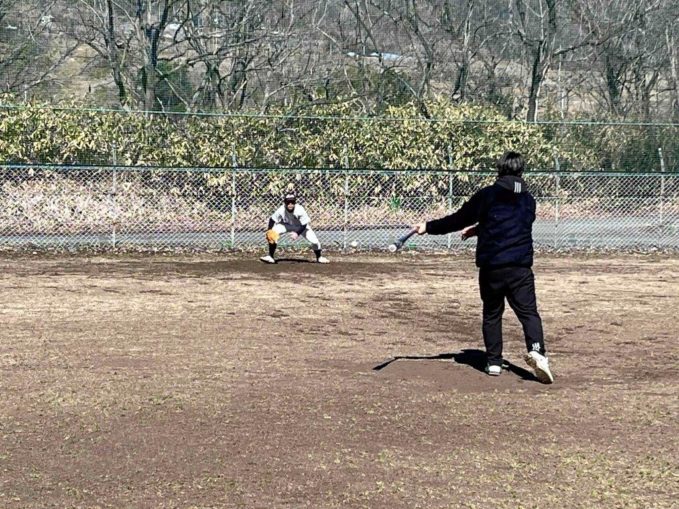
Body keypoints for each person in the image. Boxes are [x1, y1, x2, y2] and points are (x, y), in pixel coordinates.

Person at [412, 151, 554, 383]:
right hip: (520, 267)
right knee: (529, 313)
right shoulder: (528, 200)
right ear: (521, 171)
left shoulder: (488, 195)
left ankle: (494, 362)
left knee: (492, 313)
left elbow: (458, 219)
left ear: (499, 169)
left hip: (492, 267)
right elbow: (514, 223)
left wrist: (428, 227)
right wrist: (478, 230)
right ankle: (537, 351)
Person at [260, 190, 329, 264]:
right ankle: (270, 257)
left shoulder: (300, 209)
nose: (290, 204)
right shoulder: (281, 209)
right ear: (285, 203)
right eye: (288, 202)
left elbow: (304, 224)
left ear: (295, 202)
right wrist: (269, 230)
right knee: (272, 233)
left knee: (315, 241)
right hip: (286, 225)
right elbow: (272, 219)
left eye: (292, 202)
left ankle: (319, 257)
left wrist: (297, 233)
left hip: (300, 226)